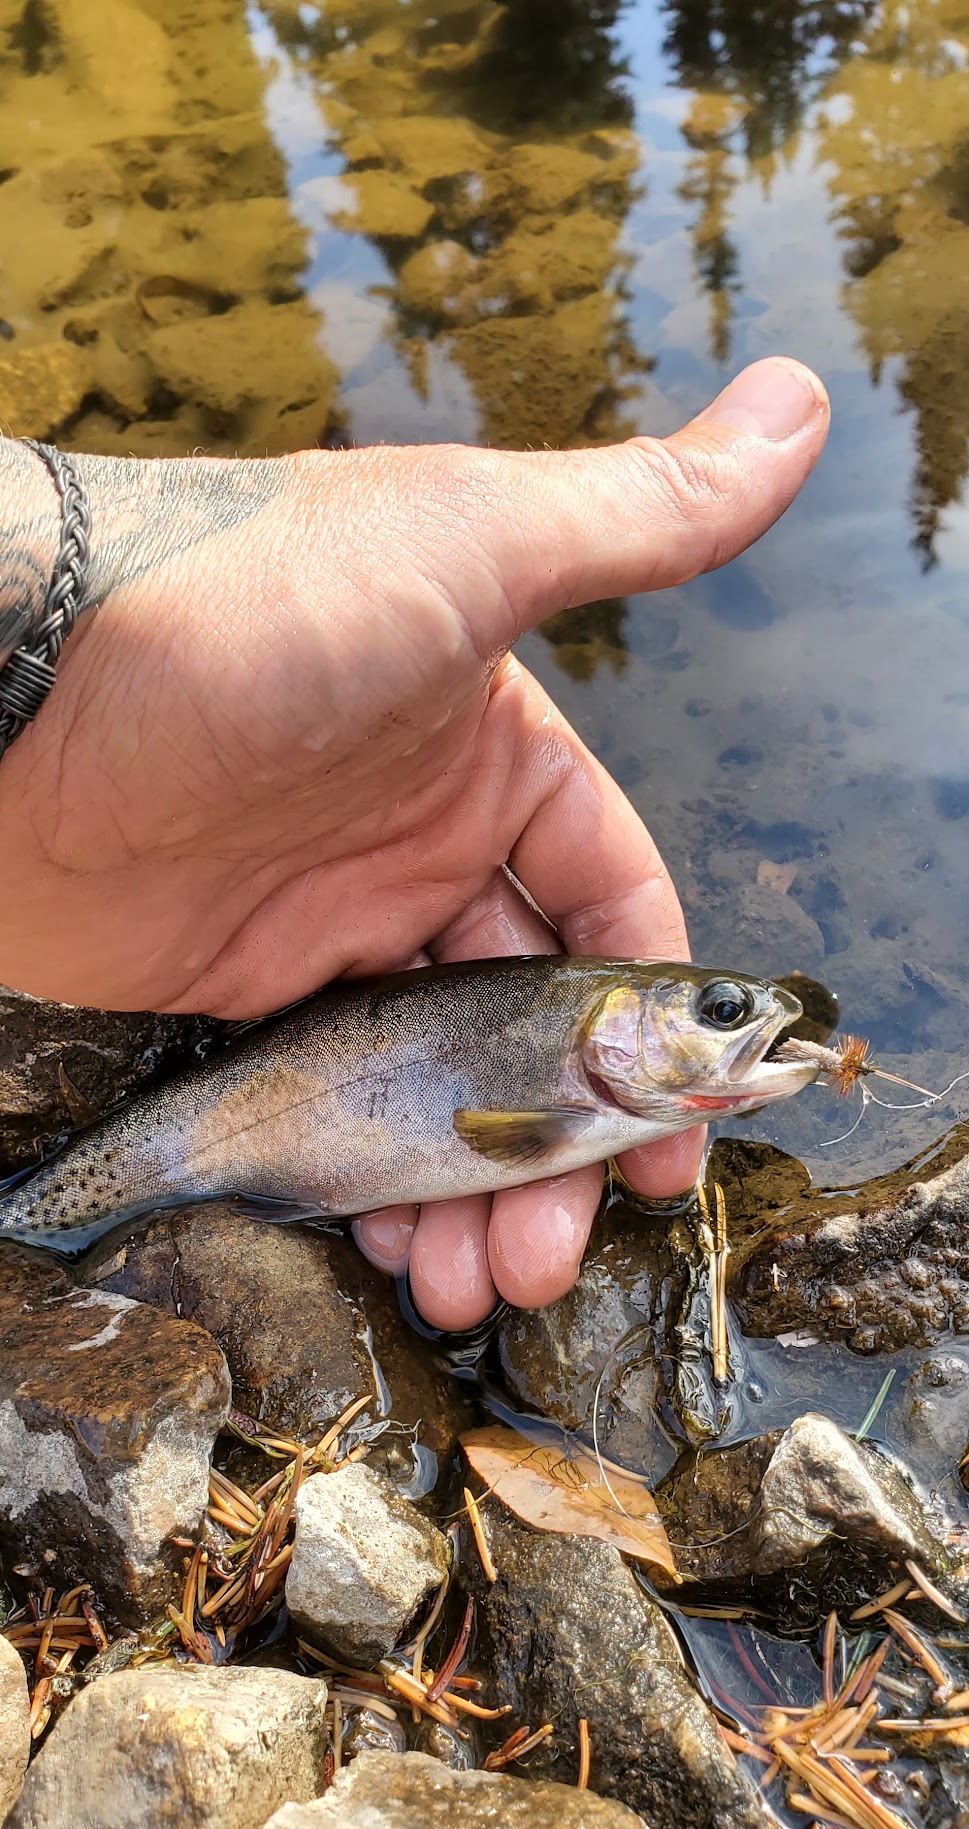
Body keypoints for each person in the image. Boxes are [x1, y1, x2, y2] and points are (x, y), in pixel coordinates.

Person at [0, 355, 829, 1330]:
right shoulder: (580, 1091)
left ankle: (31, 1222)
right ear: (619, 1018)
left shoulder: (594, 1086)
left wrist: (69, 668)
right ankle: (29, 1219)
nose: (741, 1018)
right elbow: (492, 1133)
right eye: (721, 1008)